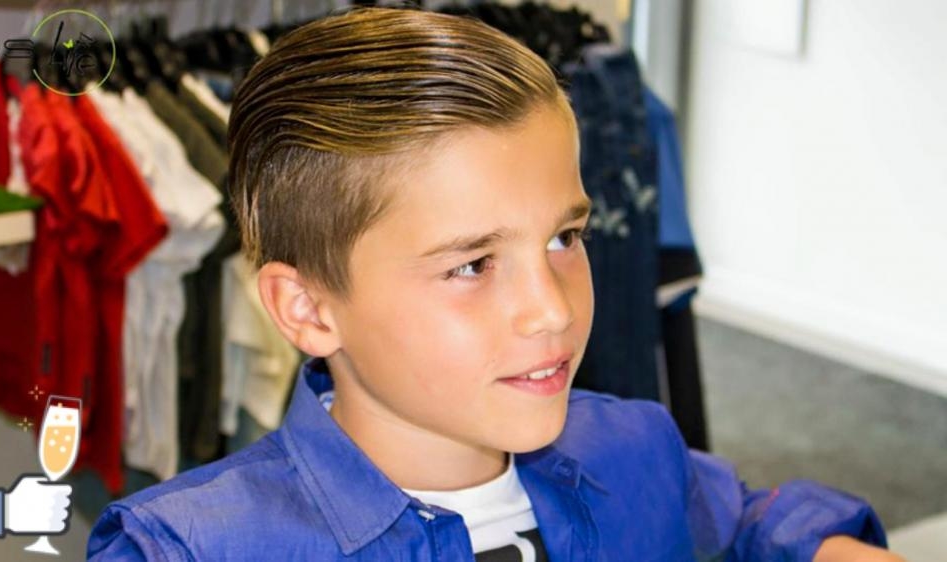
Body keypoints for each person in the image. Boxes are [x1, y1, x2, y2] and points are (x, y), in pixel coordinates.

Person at [87, 7, 903, 561]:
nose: (551, 309)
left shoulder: (633, 445)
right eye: (472, 264)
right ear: (308, 308)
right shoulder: (182, 548)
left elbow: (745, 516)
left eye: (564, 238)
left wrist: (823, 545)